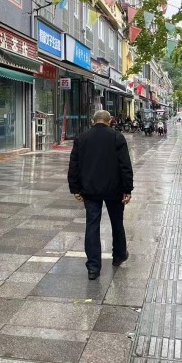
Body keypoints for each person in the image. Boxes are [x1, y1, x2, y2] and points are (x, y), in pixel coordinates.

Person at [68, 110, 133, 280]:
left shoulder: (82, 138)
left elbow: (74, 164)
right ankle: (119, 255)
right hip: (114, 189)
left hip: (90, 189)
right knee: (117, 222)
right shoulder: (117, 137)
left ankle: (93, 267)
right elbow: (125, 165)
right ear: (110, 121)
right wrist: (127, 189)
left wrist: (75, 188)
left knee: (92, 225)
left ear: (93, 121)